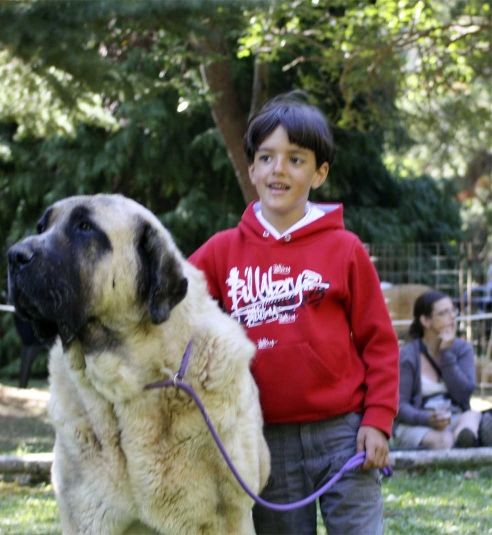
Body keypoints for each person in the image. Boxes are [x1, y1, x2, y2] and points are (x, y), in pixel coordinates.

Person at [188, 91, 399, 535]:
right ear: (251, 169)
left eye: (296, 159)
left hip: (345, 435)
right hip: (264, 438)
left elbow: (379, 343)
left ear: (320, 173)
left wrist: (378, 422)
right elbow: (173, 299)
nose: (278, 169)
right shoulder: (223, 250)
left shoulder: (345, 249)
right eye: (266, 157)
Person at [393, 290, 492, 449]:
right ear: (425, 320)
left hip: (455, 417)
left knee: (471, 418)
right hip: (417, 422)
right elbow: (400, 405)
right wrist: (427, 419)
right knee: (445, 440)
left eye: (453, 310)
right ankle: (466, 454)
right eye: (444, 313)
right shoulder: (408, 355)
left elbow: (464, 393)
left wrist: (446, 353)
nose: (452, 316)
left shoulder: (462, 349)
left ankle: (466, 441)